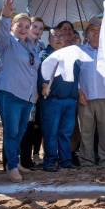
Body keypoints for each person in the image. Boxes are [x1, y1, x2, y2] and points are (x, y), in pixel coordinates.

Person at [0, 0, 40, 182]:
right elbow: (3, 32)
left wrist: (34, 95)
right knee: (11, 132)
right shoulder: (7, 43)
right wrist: (5, 15)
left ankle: (16, 161)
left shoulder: (31, 47)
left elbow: (33, 72)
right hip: (10, 94)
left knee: (20, 132)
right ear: (12, 26)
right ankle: (11, 166)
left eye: (26, 26)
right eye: (19, 25)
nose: (23, 28)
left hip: (27, 97)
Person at [78, 23, 105, 166]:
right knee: (86, 131)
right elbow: (74, 74)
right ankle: (86, 160)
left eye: (99, 31)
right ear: (86, 34)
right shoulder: (79, 51)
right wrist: (79, 91)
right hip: (86, 97)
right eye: (92, 31)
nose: (96, 33)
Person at [40, 24, 80, 172]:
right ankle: (50, 161)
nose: (58, 38)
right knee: (51, 132)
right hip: (52, 100)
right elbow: (42, 75)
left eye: (60, 35)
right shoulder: (45, 54)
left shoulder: (71, 54)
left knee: (66, 133)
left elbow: (77, 76)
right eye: (54, 36)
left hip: (70, 100)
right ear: (49, 39)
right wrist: (43, 86)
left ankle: (65, 160)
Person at [19, 16, 46, 169]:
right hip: (21, 92)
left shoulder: (41, 46)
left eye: (41, 28)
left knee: (31, 128)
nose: (37, 30)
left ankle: (27, 160)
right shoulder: (20, 44)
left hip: (36, 93)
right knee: (21, 128)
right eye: (34, 27)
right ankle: (17, 162)